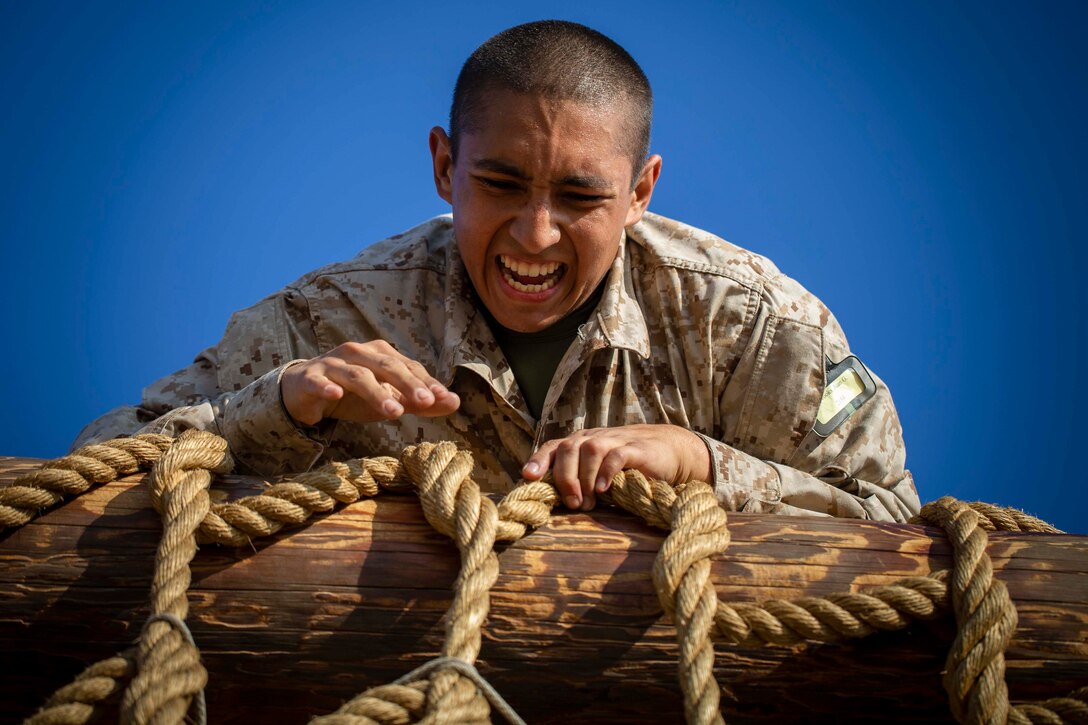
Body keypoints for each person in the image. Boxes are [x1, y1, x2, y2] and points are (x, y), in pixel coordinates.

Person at [73, 20, 920, 521]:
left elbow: (893, 520)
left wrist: (701, 458)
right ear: (445, 166)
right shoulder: (333, 321)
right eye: (500, 183)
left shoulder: (747, 326)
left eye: (580, 196)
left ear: (640, 192)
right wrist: (283, 402)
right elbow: (91, 468)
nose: (536, 232)